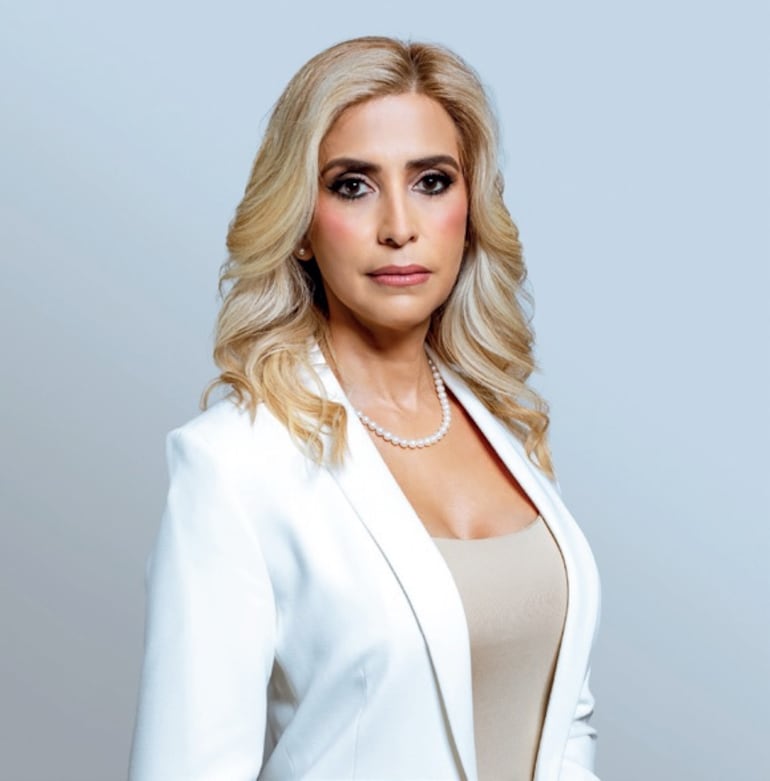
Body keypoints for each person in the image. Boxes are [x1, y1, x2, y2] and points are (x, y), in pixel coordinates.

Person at [129, 36, 601, 781]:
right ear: (301, 224)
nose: (399, 226)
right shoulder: (234, 465)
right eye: (353, 185)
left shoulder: (507, 430)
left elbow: (562, 716)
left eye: (432, 181)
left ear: (471, 208)